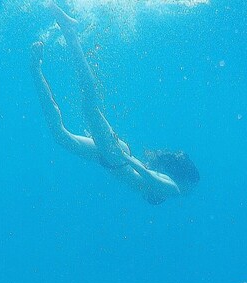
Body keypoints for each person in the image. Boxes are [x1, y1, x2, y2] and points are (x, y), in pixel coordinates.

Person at [30, 1, 199, 205]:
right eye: (192, 186)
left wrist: (121, 156)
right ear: (186, 179)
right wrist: (124, 157)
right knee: (89, 107)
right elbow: (148, 177)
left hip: (110, 158)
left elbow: (150, 178)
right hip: (115, 157)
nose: (191, 192)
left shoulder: (169, 186)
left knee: (61, 136)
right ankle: (70, 32)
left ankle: (36, 68)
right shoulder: (176, 190)